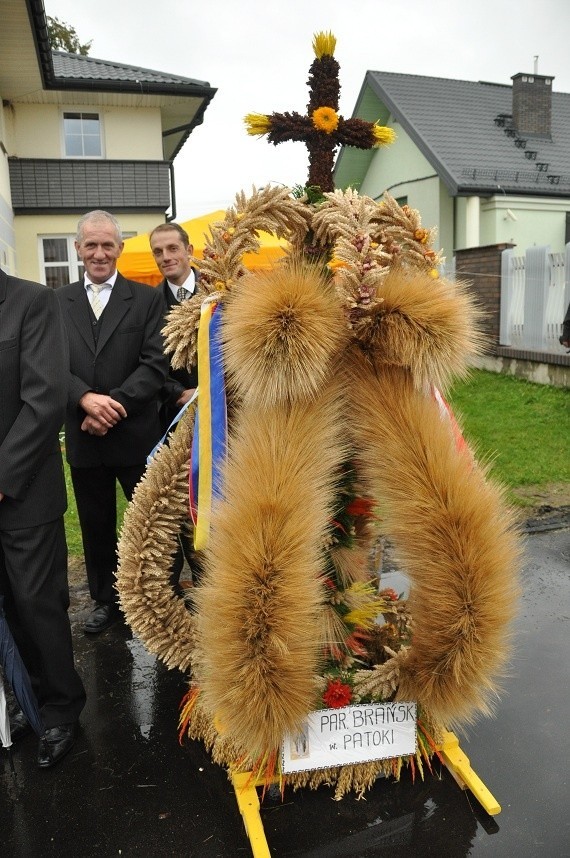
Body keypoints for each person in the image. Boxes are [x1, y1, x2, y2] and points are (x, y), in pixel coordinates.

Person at [57, 210, 168, 635]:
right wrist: (84, 398)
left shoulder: (147, 299)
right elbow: (50, 363)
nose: (99, 253)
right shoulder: (57, 303)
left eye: (107, 245)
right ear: (78, 249)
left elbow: (155, 363)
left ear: (120, 249)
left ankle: (155, 598)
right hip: (85, 440)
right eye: (91, 245)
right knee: (95, 524)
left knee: (152, 525)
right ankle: (107, 601)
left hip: (135, 435)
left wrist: (111, 406)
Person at [0, 266, 86, 768]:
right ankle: (24, 701)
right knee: (6, 607)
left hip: (24, 491)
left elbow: (46, 398)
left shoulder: (32, 302)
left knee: (37, 604)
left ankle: (59, 709)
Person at [149, 222, 201, 588]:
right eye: (158, 252)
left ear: (188, 250)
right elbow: (147, 362)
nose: (166, 257)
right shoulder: (149, 304)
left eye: (172, 248)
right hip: (175, 419)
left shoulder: (223, 291)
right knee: (184, 502)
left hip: (226, 419)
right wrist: (176, 394)